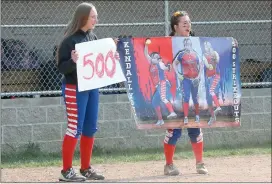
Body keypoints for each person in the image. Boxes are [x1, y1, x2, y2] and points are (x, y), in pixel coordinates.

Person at [57, 2, 119, 182]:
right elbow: (62, 67)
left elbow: (101, 61)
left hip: (92, 87)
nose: (96, 20)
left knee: (90, 128)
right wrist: (73, 61)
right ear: (83, 17)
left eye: (96, 16)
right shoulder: (69, 40)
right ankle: (67, 171)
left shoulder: (93, 37)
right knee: (74, 128)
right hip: (74, 88)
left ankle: (85, 168)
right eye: (93, 16)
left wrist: (110, 52)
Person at [163, 10, 208, 176]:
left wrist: (231, 46)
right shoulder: (168, 43)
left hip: (195, 83)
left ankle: (200, 163)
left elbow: (209, 55)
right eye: (184, 23)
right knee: (174, 128)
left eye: (189, 22)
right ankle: (169, 165)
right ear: (175, 27)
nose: (188, 25)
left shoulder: (196, 43)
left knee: (195, 127)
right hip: (175, 90)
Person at [144, 39, 177, 126]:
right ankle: (160, 120)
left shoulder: (160, 63)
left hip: (163, 83)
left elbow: (164, 67)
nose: (157, 58)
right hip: (158, 86)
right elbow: (146, 54)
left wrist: (168, 67)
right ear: (152, 58)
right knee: (155, 102)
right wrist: (146, 45)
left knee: (163, 98)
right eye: (155, 57)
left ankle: (172, 112)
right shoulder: (151, 63)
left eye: (158, 57)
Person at [172, 37, 201, 125]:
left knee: (195, 98)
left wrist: (198, 76)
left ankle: (197, 115)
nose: (188, 45)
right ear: (184, 45)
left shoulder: (195, 54)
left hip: (195, 79)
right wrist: (178, 74)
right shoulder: (181, 54)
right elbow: (174, 63)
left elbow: (201, 65)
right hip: (186, 80)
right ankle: (185, 117)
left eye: (189, 44)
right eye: (186, 44)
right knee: (186, 98)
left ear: (191, 45)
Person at [202, 41, 222, 125]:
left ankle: (218, 107)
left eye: (208, 46)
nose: (206, 47)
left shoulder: (214, 53)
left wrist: (214, 56)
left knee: (212, 92)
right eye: (205, 46)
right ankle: (213, 116)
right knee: (208, 99)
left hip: (215, 76)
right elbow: (207, 65)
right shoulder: (203, 55)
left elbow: (217, 60)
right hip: (208, 78)